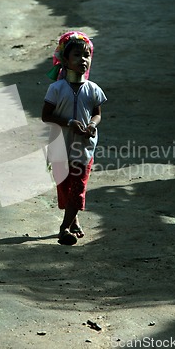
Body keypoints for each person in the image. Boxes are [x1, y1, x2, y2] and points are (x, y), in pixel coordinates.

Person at [41, 31, 107, 245]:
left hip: (84, 148)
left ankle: (64, 229)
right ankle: (74, 219)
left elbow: (97, 114)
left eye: (86, 55)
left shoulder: (93, 89)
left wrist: (92, 125)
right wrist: (69, 122)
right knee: (64, 188)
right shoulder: (56, 89)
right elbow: (46, 115)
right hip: (59, 147)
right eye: (77, 55)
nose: (83, 60)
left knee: (78, 189)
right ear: (65, 61)